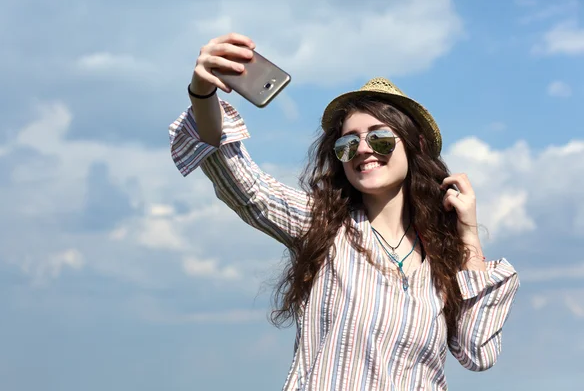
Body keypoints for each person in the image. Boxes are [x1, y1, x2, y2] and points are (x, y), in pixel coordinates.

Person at [170, 33, 520, 391]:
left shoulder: (443, 260)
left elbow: (478, 353)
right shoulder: (322, 225)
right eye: (348, 142)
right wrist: (202, 93)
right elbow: (244, 184)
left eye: (380, 138)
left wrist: (468, 236)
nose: (363, 150)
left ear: (415, 147)